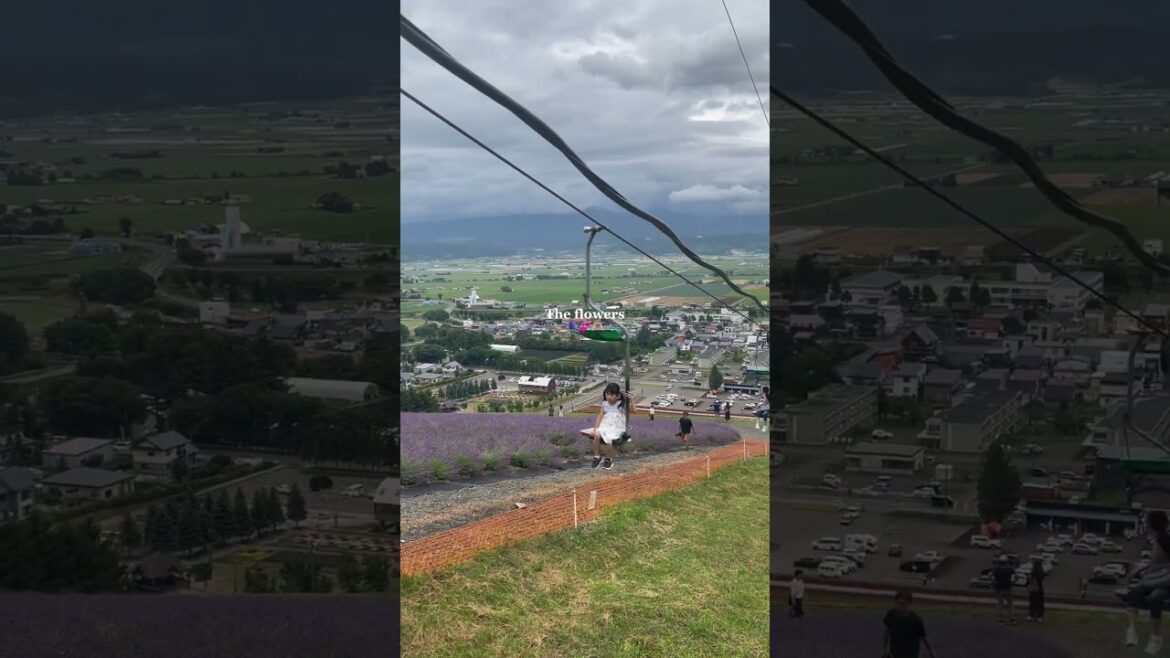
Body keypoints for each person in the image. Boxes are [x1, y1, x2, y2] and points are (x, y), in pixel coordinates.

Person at [1126, 510, 1170, 653]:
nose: (1145, 523)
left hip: (1164, 580)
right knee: (1152, 597)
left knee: (1142, 592)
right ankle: (1132, 631)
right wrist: (1141, 569)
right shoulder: (1156, 540)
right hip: (1155, 578)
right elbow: (1156, 563)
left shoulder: (1165, 540)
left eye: (1147, 521)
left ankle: (1155, 637)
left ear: (1152, 524)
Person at [882, 590, 935, 658]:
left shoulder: (915, 620)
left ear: (909, 604)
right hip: (895, 654)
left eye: (904, 604)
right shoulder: (891, 615)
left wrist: (931, 653)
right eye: (899, 603)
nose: (902, 606)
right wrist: (884, 650)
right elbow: (887, 631)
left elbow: (925, 638)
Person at [589, 383, 628, 470]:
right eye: (607, 394)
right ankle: (597, 456)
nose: (609, 397)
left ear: (617, 396)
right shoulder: (605, 404)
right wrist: (595, 429)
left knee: (609, 440)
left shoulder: (620, 404)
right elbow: (600, 416)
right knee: (596, 436)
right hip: (605, 425)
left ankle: (608, 459)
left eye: (612, 394)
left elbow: (628, 412)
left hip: (615, 427)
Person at [992, 554, 1016, 625]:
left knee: (1000, 605)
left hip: (999, 589)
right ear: (1006, 562)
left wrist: (994, 584)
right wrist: (1012, 583)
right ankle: (1012, 619)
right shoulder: (1010, 569)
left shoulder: (996, 569)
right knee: (1010, 604)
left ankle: (1001, 620)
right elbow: (1016, 576)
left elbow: (991, 577)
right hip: (1008, 588)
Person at [1027, 557, 1046, 622]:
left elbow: (1028, 582)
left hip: (1033, 590)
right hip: (1039, 590)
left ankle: (1031, 615)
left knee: (1032, 602)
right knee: (1039, 603)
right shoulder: (1041, 573)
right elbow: (1042, 580)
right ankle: (1039, 616)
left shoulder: (1031, 574)